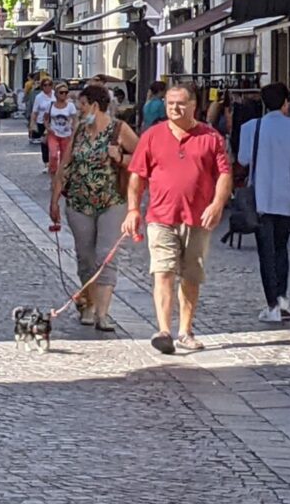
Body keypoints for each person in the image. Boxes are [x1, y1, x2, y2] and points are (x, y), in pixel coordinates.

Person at [122, 84, 234, 354]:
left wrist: (218, 204)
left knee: (191, 276)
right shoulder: (152, 136)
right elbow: (137, 176)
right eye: (170, 103)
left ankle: (185, 329)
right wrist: (133, 209)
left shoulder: (210, 137)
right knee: (163, 271)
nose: (174, 108)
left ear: (194, 105)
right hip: (161, 216)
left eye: (180, 103)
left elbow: (224, 174)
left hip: (197, 219)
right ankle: (164, 330)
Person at [49, 83, 140, 331]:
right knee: (85, 258)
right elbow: (64, 165)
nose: (79, 110)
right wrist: (54, 199)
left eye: (82, 105)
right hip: (79, 203)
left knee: (105, 256)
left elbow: (144, 160)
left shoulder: (119, 130)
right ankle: (88, 304)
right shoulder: (79, 130)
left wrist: (120, 157)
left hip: (111, 202)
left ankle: (103, 313)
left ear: (95, 106)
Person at [238, 83, 290, 323]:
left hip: (261, 199)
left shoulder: (251, 127)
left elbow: (242, 159)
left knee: (266, 253)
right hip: (288, 199)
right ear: (285, 103)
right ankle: (282, 300)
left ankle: (272, 305)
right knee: (282, 249)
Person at [44, 84, 79, 175]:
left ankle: (62, 176)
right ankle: (53, 173)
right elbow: (45, 118)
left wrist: (73, 131)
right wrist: (48, 127)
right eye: (61, 92)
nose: (64, 94)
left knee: (64, 157)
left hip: (66, 135)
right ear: (55, 94)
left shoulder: (70, 106)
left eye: (66, 92)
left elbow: (75, 119)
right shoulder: (50, 105)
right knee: (53, 155)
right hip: (53, 133)